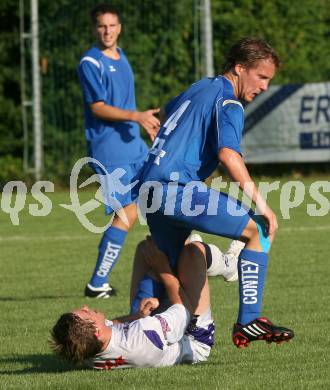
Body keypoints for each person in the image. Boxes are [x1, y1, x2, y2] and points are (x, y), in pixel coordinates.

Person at [132, 37, 295, 348]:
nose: (263, 86)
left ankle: (135, 337)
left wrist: (159, 130)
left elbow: (165, 111)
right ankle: (249, 319)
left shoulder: (201, 86)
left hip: (149, 190)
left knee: (170, 270)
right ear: (239, 68)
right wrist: (262, 204)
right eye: (261, 77)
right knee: (260, 229)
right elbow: (228, 155)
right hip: (176, 189)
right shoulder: (229, 102)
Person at [77, 4, 161, 298]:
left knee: (161, 189)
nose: (107, 31)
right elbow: (98, 107)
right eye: (102, 26)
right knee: (127, 211)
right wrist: (137, 116)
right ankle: (98, 281)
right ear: (94, 29)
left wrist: (144, 125)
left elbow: (126, 103)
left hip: (132, 144)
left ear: (120, 27)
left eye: (112, 25)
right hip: (109, 149)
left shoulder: (121, 57)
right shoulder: (90, 62)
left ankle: (173, 257)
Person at [51, 237, 229, 369]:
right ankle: (230, 265)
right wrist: (163, 268)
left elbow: (109, 325)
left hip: (152, 326)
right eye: (85, 313)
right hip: (192, 336)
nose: (85, 307)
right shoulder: (144, 334)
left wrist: (137, 315)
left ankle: (179, 258)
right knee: (193, 251)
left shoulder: (86, 350)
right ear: (96, 332)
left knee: (147, 249)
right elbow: (184, 309)